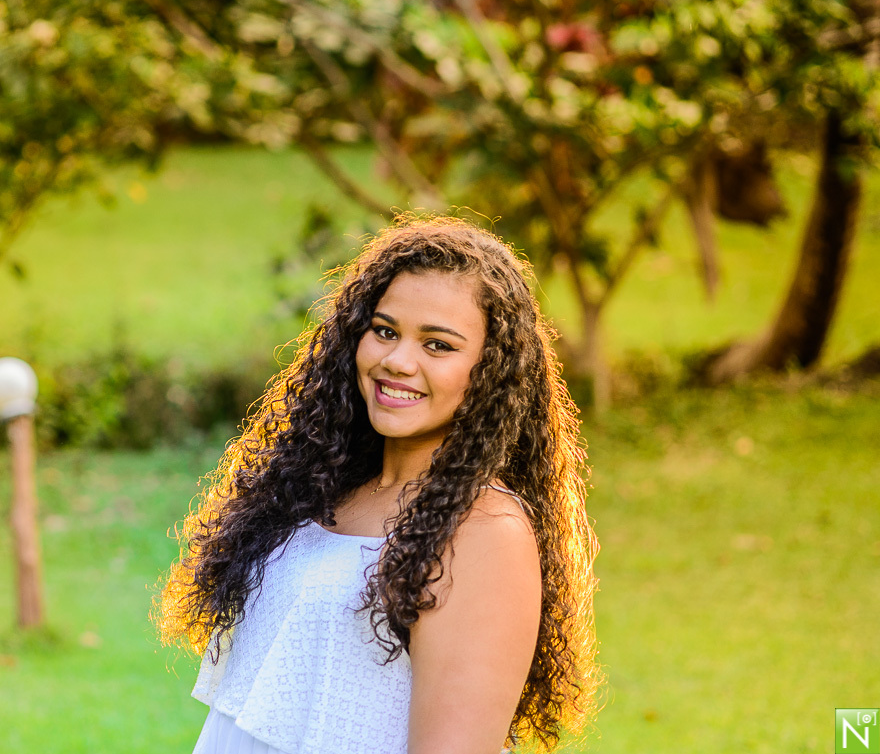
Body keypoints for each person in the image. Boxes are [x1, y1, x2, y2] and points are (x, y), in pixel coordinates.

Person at [156, 215, 599, 754]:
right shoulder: (322, 491)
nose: (397, 361)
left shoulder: (485, 532)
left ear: (490, 371)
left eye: (438, 345)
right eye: (385, 331)